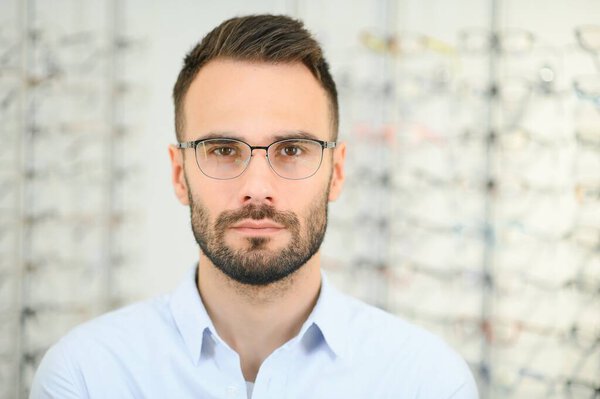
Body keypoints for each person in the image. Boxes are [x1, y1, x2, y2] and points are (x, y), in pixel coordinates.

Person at [30, 14, 478, 399]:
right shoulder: (87, 376)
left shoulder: (427, 382)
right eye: (223, 150)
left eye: (292, 149)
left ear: (336, 172)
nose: (258, 188)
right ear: (178, 174)